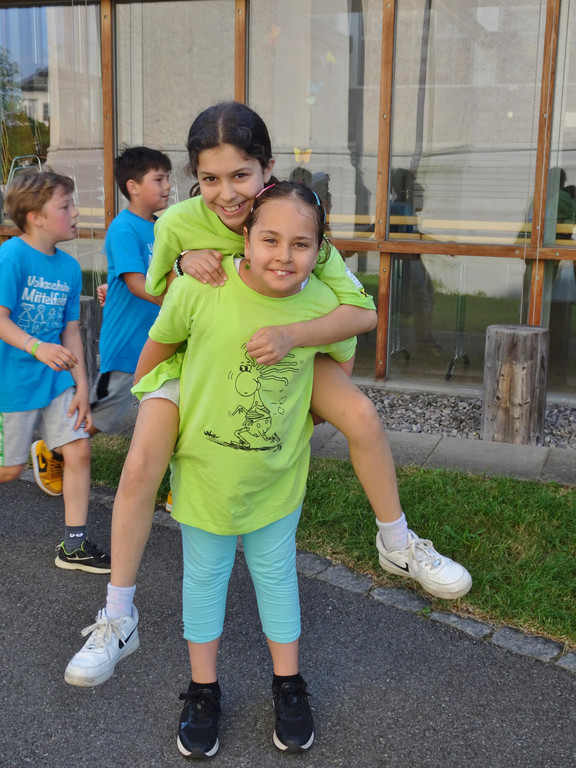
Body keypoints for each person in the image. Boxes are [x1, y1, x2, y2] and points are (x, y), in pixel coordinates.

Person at [64, 102, 470, 692]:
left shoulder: (293, 218)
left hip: (280, 347)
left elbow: (360, 311)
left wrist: (297, 341)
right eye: (210, 179)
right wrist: (182, 263)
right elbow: (158, 290)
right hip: (195, 355)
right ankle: (119, 615)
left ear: (266, 169)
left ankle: (397, 540)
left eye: (240, 175)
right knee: (140, 466)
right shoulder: (177, 222)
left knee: (361, 414)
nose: (227, 194)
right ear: (194, 177)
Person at [145, 181, 355, 756]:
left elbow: (340, 368)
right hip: (205, 476)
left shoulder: (322, 305)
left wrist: (307, 417)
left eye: (301, 244)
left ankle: (289, 686)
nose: (284, 256)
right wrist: (154, 415)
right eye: (270, 239)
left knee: (276, 578)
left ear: (320, 250)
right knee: (204, 580)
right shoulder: (198, 288)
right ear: (245, 237)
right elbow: (157, 352)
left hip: (275, 478)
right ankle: (203, 691)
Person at [29, 146, 172, 496]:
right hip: (127, 345)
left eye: (167, 178)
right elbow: (136, 282)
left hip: (160, 342)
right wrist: (179, 303)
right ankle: (52, 448)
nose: (167, 186)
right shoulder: (124, 228)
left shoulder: (162, 227)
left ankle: (178, 489)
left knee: (173, 412)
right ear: (133, 186)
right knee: (104, 413)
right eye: (159, 179)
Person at [0, 171, 110, 573]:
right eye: (65, 206)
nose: (76, 212)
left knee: (78, 450)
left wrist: (82, 387)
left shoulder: (68, 267)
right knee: (9, 470)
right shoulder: (11, 256)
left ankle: (74, 547)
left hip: (56, 379)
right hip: (11, 381)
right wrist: (36, 347)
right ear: (36, 216)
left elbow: (71, 332)